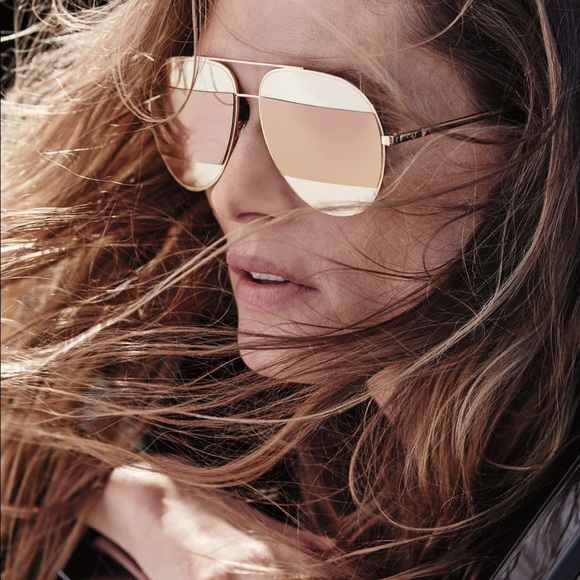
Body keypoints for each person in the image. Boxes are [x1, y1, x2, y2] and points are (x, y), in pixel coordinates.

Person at [1, 0, 578, 578]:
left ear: (533, 157)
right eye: (207, 98)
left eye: (327, 122)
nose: (236, 188)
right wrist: (147, 500)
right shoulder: (190, 371)